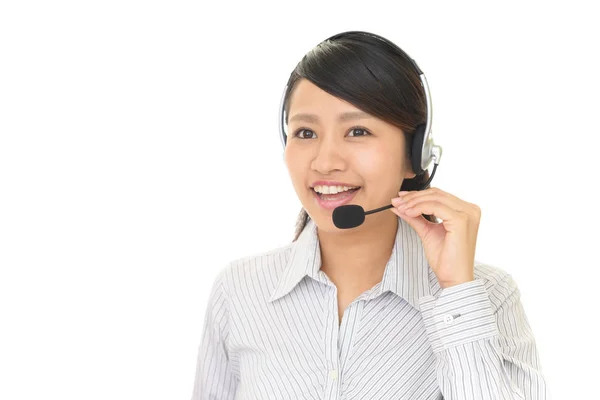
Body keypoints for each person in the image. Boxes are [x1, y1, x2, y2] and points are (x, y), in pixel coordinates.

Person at [191, 31, 550, 399]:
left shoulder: (488, 295)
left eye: (357, 131)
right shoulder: (239, 290)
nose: (325, 162)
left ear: (416, 154)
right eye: (305, 132)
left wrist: (457, 292)